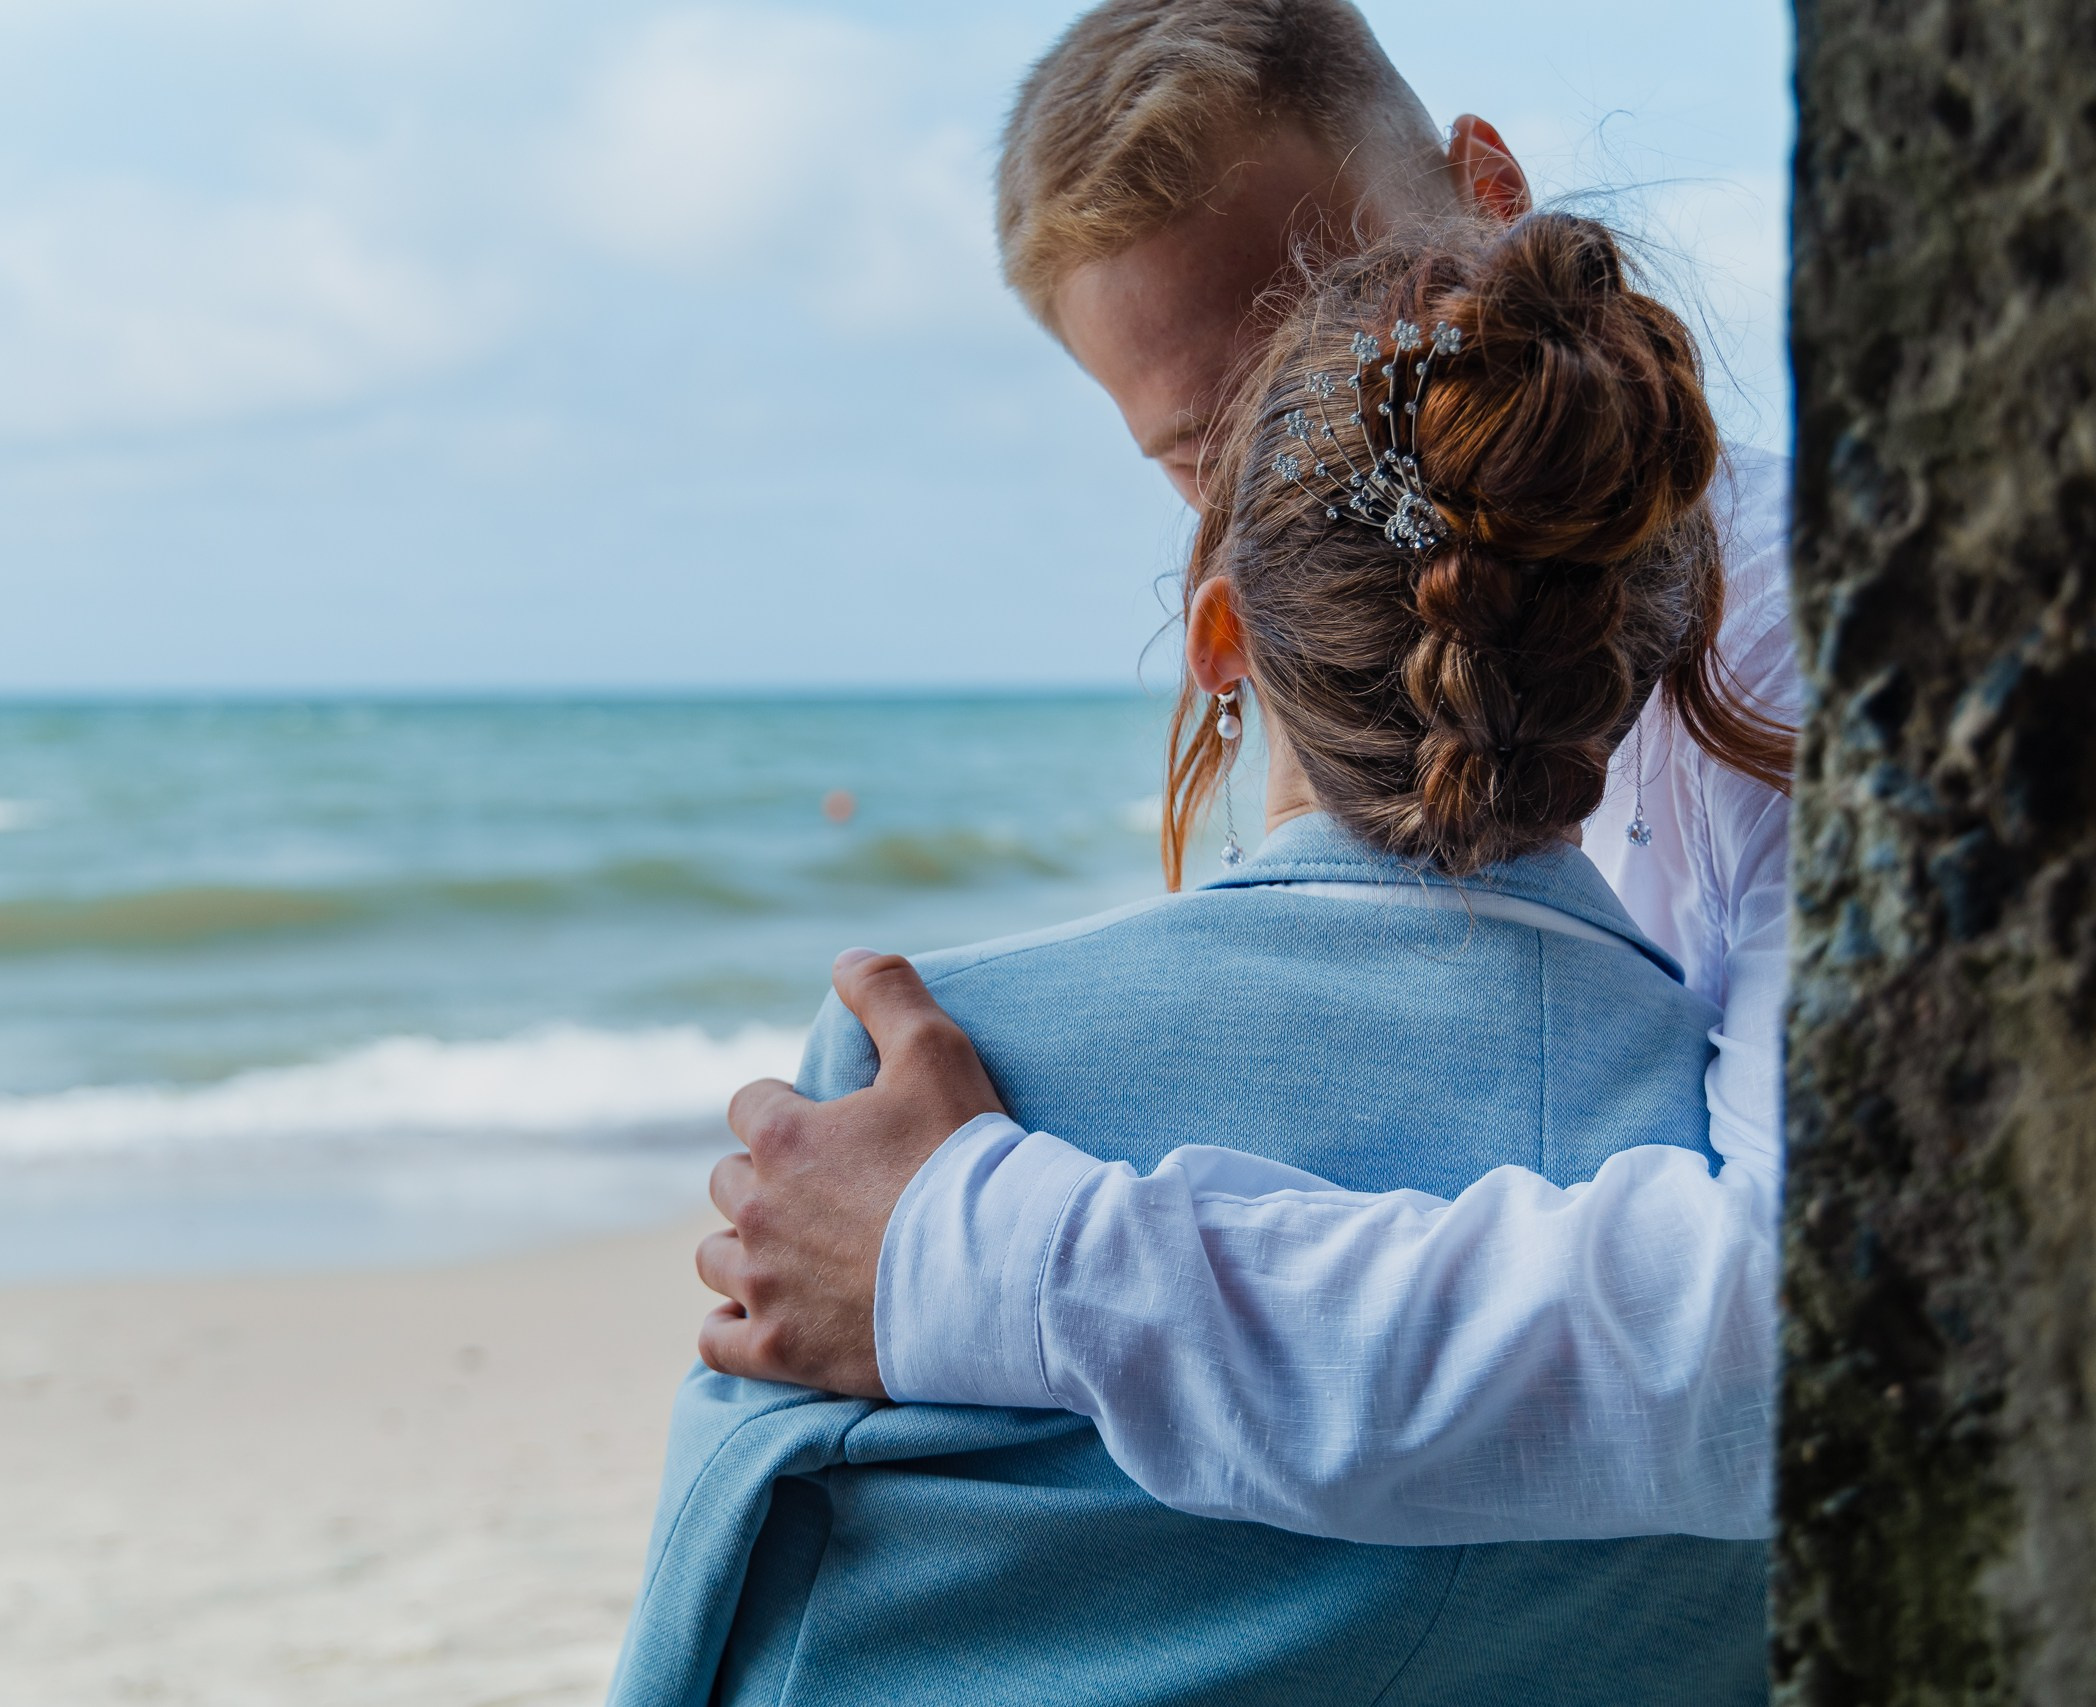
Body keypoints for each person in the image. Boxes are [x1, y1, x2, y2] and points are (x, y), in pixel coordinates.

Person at [614, 211, 1769, 1707]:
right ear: (1659, 659)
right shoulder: (1722, 1162)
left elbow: (725, 1627)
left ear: (1221, 639)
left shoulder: (943, 1075)